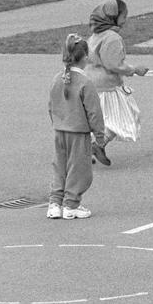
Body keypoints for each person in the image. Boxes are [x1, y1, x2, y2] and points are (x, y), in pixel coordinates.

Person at [47, 34, 106, 221]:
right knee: (80, 169)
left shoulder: (57, 78)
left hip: (60, 131)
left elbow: (51, 106)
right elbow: (94, 112)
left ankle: (55, 203)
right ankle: (71, 204)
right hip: (78, 133)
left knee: (60, 166)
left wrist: (57, 122)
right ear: (85, 58)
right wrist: (100, 135)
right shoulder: (85, 82)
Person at [84, 0, 148, 167]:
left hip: (91, 82)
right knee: (123, 116)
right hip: (107, 85)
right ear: (113, 17)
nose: (125, 20)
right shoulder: (112, 38)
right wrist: (135, 69)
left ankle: (86, 148)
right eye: (124, 16)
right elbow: (113, 64)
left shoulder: (96, 35)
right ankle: (97, 144)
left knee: (98, 119)